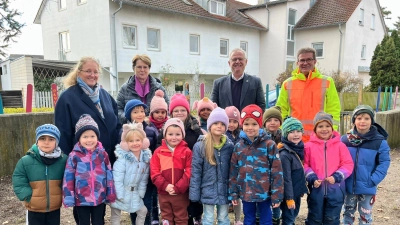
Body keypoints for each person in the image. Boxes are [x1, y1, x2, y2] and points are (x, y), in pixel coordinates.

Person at [55, 57, 121, 164]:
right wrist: (68, 164)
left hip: (111, 161)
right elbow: (63, 135)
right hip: (84, 164)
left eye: (96, 72)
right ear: (78, 73)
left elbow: (117, 125)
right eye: (88, 71)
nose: (92, 75)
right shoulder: (67, 98)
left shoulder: (105, 95)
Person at [229, 104, 283, 225]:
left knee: (266, 218)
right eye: (247, 124)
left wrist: (276, 195)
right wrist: (233, 193)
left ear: (260, 125)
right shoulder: (238, 146)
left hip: (265, 192)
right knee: (249, 218)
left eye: (254, 124)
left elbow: (277, 171)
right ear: (242, 125)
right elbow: (233, 171)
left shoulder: (269, 145)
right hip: (246, 191)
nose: (250, 128)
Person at [156, 93, 204, 225]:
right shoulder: (165, 130)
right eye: (176, 110)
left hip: (188, 174)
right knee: (170, 213)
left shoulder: (195, 128)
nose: (179, 112)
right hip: (168, 180)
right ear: (171, 112)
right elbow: (157, 156)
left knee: (186, 208)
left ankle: (195, 218)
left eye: (183, 110)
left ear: (188, 111)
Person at [276, 47, 341, 142]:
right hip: (295, 138)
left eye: (309, 59)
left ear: (315, 61)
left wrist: (330, 131)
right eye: (302, 60)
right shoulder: (287, 83)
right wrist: (284, 131)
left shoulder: (327, 82)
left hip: (320, 138)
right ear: (297, 63)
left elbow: (334, 109)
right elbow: (281, 110)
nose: (305, 63)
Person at [63, 114, 116, 225]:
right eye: (85, 137)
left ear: (97, 137)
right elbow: (68, 178)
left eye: (92, 136)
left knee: (99, 221)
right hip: (81, 198)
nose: (89, 140)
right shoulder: (74, 156)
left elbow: (109, 174)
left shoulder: (102, 154)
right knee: (83, 222)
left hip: (99, 196)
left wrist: (110, 192)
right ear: (79, 138)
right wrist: (69, 197)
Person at [341, 105, 391, 225]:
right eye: (359, 118)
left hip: (367, 185)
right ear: (354, 121)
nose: (362, 121)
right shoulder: (345, 140)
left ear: (371, 121)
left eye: (366, 118)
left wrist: (374, 179)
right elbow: (338, 159)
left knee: (365, 215)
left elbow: (384, 162)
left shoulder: (379, 141)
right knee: (347, 212)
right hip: (348, 185)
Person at [304, 112, 354, 225]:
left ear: (332, 128)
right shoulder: (308, 146)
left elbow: (348, 164)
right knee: (314, 218)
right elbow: (304, 165)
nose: (324, 129)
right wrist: (311, 177)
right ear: (315, 129)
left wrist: (337, 176)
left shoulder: (340, 145)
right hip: (316, 190)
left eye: (327, 126)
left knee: (332, 219)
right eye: (320, 126)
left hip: (336, 190)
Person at [12, 124, 67, 225]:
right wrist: (28, 196)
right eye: (42, 138)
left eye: (51, 139)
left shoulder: (64, 160)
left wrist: (62, 194)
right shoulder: (26, 161)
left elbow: (68, 179)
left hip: (54, 208)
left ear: (57, 142)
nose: (46, 142)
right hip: (34, 208)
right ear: (37, 141)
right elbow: (18, 179)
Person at [190, 107, 234, 225]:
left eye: (222, 124)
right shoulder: (200, 146)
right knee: (208, 218)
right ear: (209, 125)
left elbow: (233, 170)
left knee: (223, 217)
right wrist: (194, 194)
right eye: (215, 123)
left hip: (224, 189)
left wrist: (234, 190)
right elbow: (196, 172)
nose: (219, 126)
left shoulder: (229, 146)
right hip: (207, 189)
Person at [151, 118, 192, 225]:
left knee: (181, 217)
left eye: (177, 134)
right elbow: (154, 172)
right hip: (164, 193)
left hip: (181, 193)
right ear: (165, 135)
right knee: (166, 218)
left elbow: (189, 171)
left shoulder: (187, 152)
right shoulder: (158, 152)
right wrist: (165, 185)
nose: (174, 137)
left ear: (183, 135)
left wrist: (178, 187)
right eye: (170, 134)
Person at [124, 99, 159, 225]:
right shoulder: (124, 132)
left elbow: (156, 151)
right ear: (129, 115)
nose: (140, 114)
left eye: (142, 111)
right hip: (132, 176)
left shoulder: (151, 131)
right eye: (135, 112)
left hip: (148, 175)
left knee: (148, 203)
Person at [110, 123, 152, 225]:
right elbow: (117, 179)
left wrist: (141, 192)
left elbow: (144, 179)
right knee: (116, 213)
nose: (135, 143)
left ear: (143, 142)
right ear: (126, 143)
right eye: (131, 141)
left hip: (134, 192)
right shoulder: (122, 161)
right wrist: (119, 195)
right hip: (120, 192)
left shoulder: (144, 160)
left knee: (143, 211)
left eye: (137, 140)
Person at [117, 54, 169, 123]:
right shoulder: (125, 89)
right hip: (132, 129)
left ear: (149, 69)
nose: (142, 70)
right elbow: (118, 109)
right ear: (133, 68)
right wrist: (131, 119)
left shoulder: (158, 88)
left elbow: (168, 108)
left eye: (145, 67)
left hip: (155, 129)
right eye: (139, 67)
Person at [277, 117, 308, 225]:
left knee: (293, 216)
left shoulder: (298, 148)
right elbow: (286, 178)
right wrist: (289, 198)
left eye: (298, 131)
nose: (296, 134)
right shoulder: (285, 154)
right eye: (292, 132)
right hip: (289, 194)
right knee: (289, 219)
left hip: (295, 192)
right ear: (285, 134)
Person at [223, 106, 242, 225]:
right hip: (226, 168)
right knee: (225, 195)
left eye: (235, 121)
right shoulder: (223, 134)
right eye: (229, 121)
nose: (232, 124)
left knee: (237, 194)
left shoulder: (241, 135)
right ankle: (224, 217)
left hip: (237, 169)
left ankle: (238, 219)